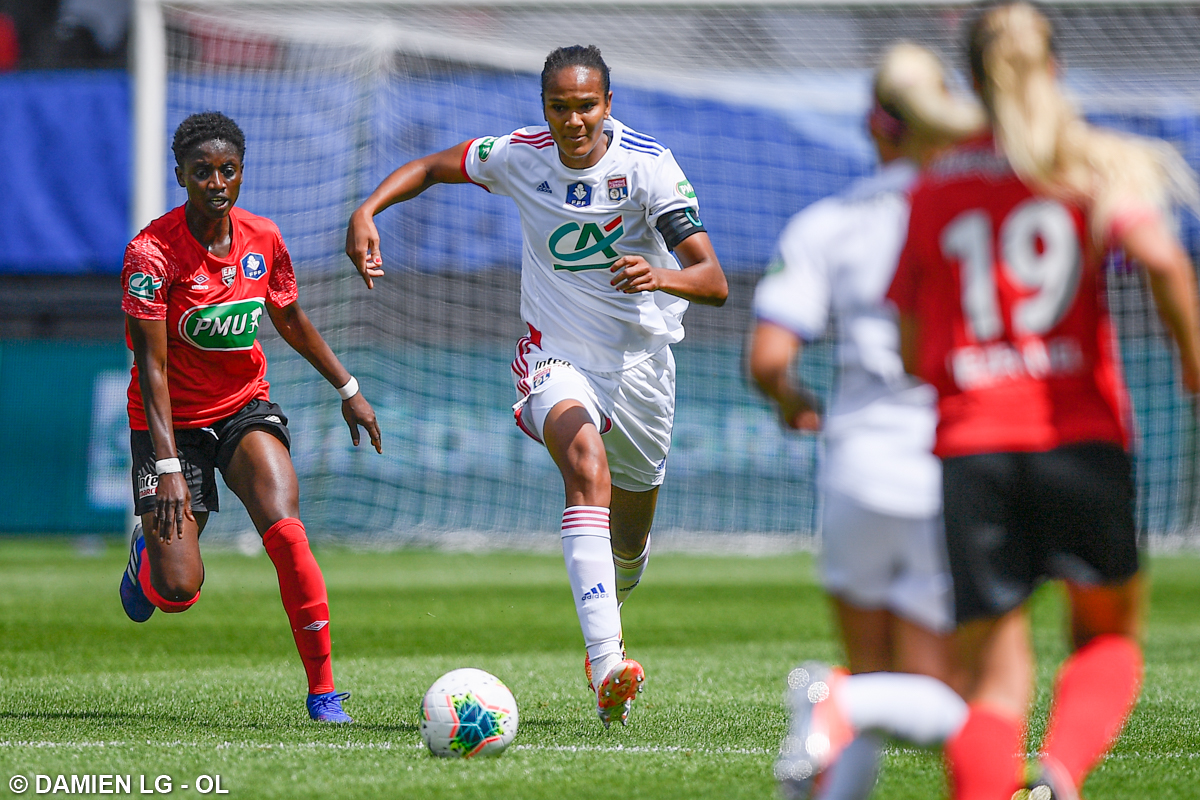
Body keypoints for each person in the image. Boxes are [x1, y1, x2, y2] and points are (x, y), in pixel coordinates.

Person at [345, 45, 727, 728]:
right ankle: (607, 662)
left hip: (641, 366)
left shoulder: (648, 168)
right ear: (543, 107)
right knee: (584, 464)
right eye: (560, 107)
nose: (574, 120)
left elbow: (713, 280)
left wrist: (658, 273)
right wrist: (368, 209)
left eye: (586, 106)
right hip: (554, 357)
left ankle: (619, 586)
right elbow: (434, 166)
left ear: (609, 104)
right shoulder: (519, 155)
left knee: (631, 542)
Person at [882, 5, 1200, 799]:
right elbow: (1161, 256)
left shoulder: (935, 185)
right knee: (1107, 637)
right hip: (1080, 439)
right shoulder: (1085, 164)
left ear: (972, 80)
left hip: (973, 447)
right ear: (1053, 68)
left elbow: (913, 348)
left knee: (990, 684)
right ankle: (1057, 775)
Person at [754, 44, 984, 800]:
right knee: (963, 700)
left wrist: (797, 404)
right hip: (948, 460)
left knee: (881, 681)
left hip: (856, 463)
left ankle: (830, 745)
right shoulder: (973, 215)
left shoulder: (826, 224)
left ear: (871, 124)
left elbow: (768, 359)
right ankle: (839, 701)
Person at [120, 111, 382, 724]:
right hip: (170, 423)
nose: (217, 182)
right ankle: (146, 561)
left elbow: (288, 317)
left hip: (243, 407)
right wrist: (167, 468)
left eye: (228, 170)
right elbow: (152, 371)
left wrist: (348, 387)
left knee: (287, 531)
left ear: (241, 173)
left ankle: (323, 694)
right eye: (203, 171)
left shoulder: (263, 238)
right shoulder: (151, 254)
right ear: (180, 175)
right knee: (179, 591)